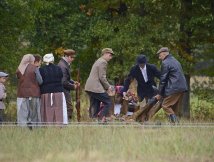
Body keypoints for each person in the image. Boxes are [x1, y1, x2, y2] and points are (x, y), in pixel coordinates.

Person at [122, 54, 161, 121]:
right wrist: (124, 90)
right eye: (140, 64)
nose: (141, 66)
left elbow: (160, 76)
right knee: (140, 105)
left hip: (151, 88)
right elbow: (128, 80)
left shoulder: (152, 67)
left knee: (150, 105)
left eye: (143, 64)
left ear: (145, 62)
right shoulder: (134, 69)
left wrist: (163, 88)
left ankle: (148, 118)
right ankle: (139, 118)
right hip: (141, 89)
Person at [154, 47, 188, 123]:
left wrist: (160, 94)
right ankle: (173, 126)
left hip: (174, 88)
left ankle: (176, 123)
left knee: (165, 105)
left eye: (160, 56)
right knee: (174, 108)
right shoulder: (176, 61)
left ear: (164, 53)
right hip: (181, 88)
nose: (159, 58)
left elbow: (163, 79)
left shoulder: (165, 62)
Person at [85, 48, 114, 122]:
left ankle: (93, 120)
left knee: (95, 103)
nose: (111, 57)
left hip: (89, 87)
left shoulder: (98, 60)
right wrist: (108, 87)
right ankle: (101, 119)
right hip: (95, 87)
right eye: (110, 55)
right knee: (108, 101)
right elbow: (102, 77)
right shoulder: (103, 62)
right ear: (105, 54)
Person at [39, 53, 68, 125]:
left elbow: (40, 81)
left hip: (46, 93)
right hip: (58, 92)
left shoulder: (41, 70)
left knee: (47, 110)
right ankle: (59, 125)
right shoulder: (58, 68)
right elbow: (61, 77)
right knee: (59, 109)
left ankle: (48, 125)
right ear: (53, 60)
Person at [16, 54, 41, 126]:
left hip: (22, 94)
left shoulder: (19, 69)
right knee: (34, 115)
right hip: (34, 94)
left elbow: (18, 78)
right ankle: (34, 130)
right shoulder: (35, 68)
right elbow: (40, 81)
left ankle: (23, 130)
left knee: (23, 114)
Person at [58, 49, 80, 120]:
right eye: (72, 57)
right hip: (63, 89)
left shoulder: (64, 64)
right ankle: (66, 123)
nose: (73, 59)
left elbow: (67, 78)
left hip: (64, 89)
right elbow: (63, 82)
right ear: (67, 56)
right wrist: (73, 86)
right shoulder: (63, 66)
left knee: (68, 107)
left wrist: (74, 82)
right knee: (69, 107)